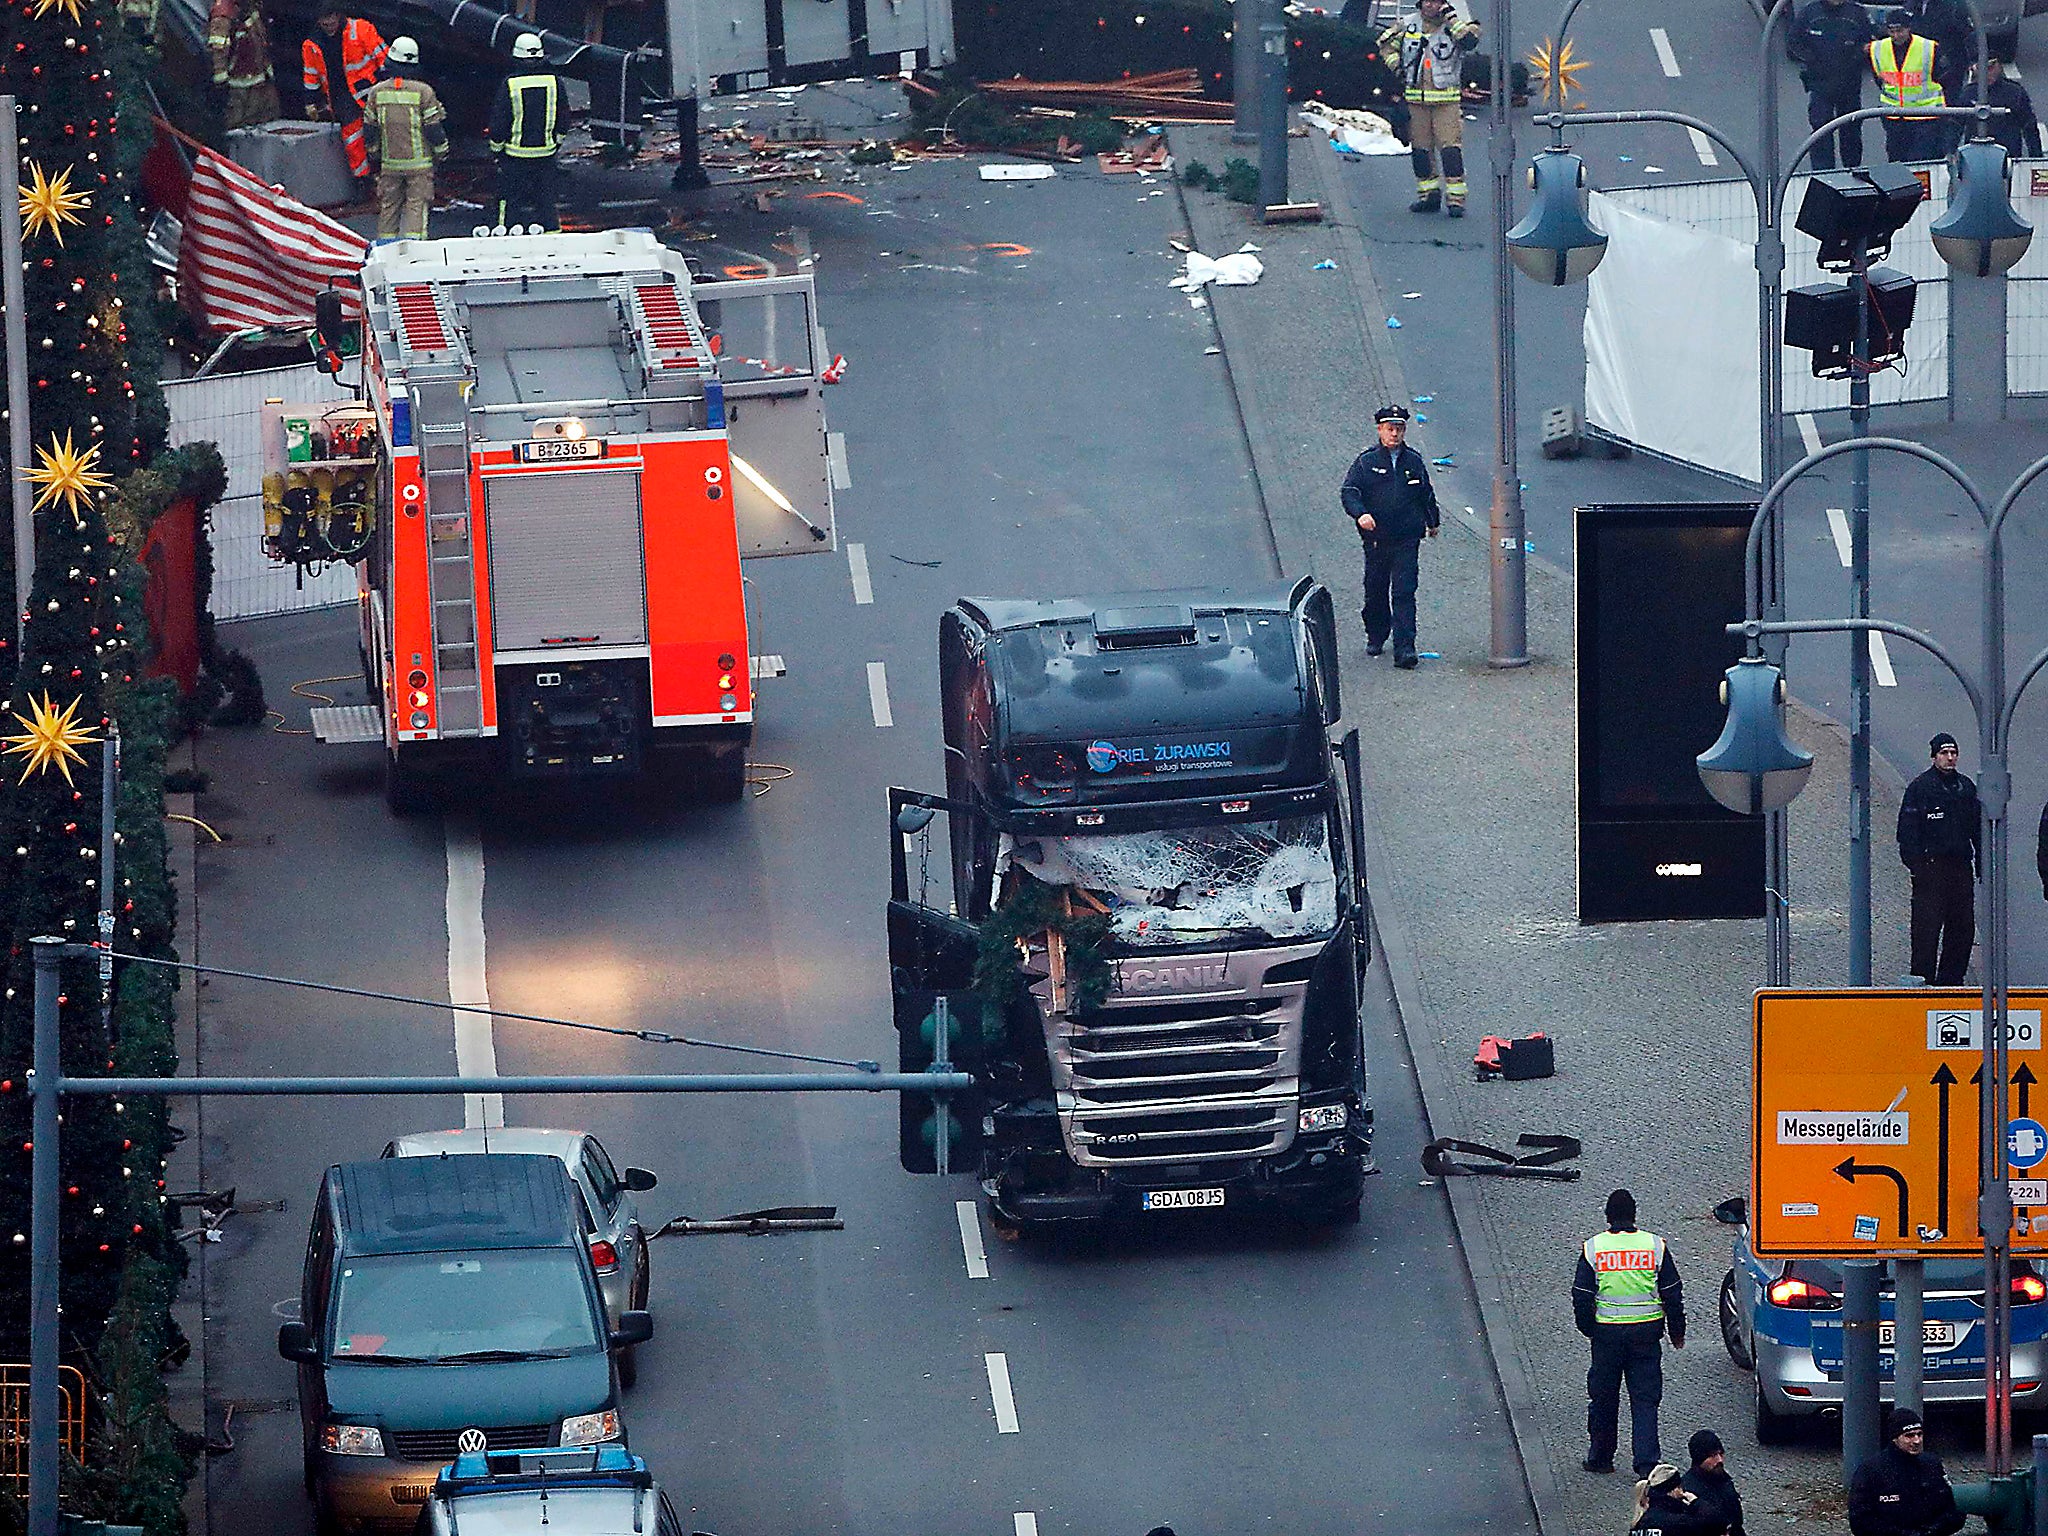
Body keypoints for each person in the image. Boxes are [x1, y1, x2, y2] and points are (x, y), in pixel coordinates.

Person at [1572, 1187, 1685, 1477]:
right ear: (1634, 1214)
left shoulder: (1594, 1248)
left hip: (1606, 1335)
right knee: (1645, 1399)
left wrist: (1589, 1328)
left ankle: (1600, 1457)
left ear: (1608, 1216)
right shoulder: (1654, 1245)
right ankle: (1647, 1463)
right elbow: (1672, 1292)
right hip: (1646, 1334)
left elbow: (1582, 1294)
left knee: (1603, 1397)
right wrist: (1677, 1330)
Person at [1339, 404, 1440, 669]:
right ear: (1380, 430)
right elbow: (1349, 491)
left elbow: (1425, 494)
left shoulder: (1413, 461)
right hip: (1377, 540)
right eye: (1390, 429)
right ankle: (1376, 633)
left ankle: (1405, 648)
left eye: (1399, 429)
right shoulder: (1367, 462)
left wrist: (1433, 521)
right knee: (1375, 590)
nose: (1395, 434)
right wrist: (1360, 514)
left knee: (1405, 593)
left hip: (1407, 538)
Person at [1378, 0, 1482, 216]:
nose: (1430, 6)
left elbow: (1469, 42)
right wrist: (1397, 67)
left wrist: (1451, 18)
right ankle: (1428, 195)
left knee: (1450, 150)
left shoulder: (1458, 26)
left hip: (1446, 102)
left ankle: (1456, 200)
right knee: (1420, 151)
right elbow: (1385, 46)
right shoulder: (1408, 25)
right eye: (1426, 1)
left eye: (1436, 1)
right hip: (1416, 101)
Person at [1898, 732, 1980, 986]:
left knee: (1962, 929)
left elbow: (1977, 828)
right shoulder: (1920, 788)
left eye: (1953, 753)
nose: (1950, 758)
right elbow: (1907, 831)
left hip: (1960, 868)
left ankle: (1952, 982)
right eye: (1944, 753)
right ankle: (1923, 982)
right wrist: (1916, 866)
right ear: (1934, 756)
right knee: (1926, 931)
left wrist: (1982, 864)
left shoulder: (1965, 788)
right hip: (1931, 869)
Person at [362, 38, 448, 240]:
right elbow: (434, 129)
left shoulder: (377, 92)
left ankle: (386, 248)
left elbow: (369, 129)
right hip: (420, 166)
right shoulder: (424, 92)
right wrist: (442, 152)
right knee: (416, 206)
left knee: (388, 207)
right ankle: (414, 249)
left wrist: (374, 155)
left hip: (390, 164)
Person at [301, 1, 387, 182]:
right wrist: (311, 102)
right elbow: (311, 76)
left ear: (340, 14)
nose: (329, 21)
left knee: (382, 135)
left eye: (332, 16)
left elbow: (383, 59)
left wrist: (389, 87)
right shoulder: (311, 44)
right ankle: (362, 181)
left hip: (372, 93)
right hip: (342, 98)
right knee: (353, 141)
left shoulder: (362, 29)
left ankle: (384, 176)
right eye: (324, 17)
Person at [1789, 0, 1878, 170]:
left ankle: (1852, 170)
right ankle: (1823, 174)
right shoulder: (1810, 12)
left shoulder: (1857, 13)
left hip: (1849, 84)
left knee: (1851, 129)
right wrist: (1812, 60)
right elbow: (1793, 42)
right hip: (1820, 84)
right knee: (1821, 129)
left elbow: (1868, 42)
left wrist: (1855, 57)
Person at [489, 33, 564, 232]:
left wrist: (497, 150)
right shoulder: (555, 81)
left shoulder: (510, 83)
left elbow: (499, 122)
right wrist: (556, 143)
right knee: (546, 200)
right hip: (546, 154)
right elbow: (564, 117)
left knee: (510, 199)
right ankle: (552, 238)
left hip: (515, 155)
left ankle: (508, 235)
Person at [1848, 1408, 1965, 1536]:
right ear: (1895, 1438)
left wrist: (1934, 1530)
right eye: (1909, 1436)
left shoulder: (1932, 1464)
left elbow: (1955, 1510)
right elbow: (1860, 1522)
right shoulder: (1871, 1470)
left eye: (1919, 1434)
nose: (1917, 1441)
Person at [1870, 10, 1947, 163]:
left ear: (1908, 28)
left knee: (1923, 163)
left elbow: (1945, 77)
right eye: (1891, 31)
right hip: (1894, 117)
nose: (1896, 36)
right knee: (1897, 163)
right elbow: (1879, 78)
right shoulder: (1877, 49)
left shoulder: (1929, 48)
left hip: (1926, 116)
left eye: (1900, 31)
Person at [207, 0, 281, 130]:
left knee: (270, 123)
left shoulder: (251, 6)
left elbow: (260, 38)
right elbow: (219, 52)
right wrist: (222, 84)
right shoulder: (223, 14)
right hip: (240, 90)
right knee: (241, 130)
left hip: (262, 82)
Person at [1680, 1430, 1745, 1536]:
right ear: (1700, 1458)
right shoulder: (1688, 1489)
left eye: (1720, 1453)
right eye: (1713, 1455)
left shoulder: (1724, 1480)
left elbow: (1736, 1523)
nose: (1719, 1460)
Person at [1983, 55, 2042, 162]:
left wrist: (2036, 158)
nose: (1987, 74)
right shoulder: (1969, 93)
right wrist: (1949, 152)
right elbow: (1956, 123)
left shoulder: (2014, 92)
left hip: (2009, 156)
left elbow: (2029, 126)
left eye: (1990, 68)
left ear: (1999, 67)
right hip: (1974, 158)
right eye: (1982, 69)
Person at [1632, 1464, 1717, 1536]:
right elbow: (1716, 1524)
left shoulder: (1638, 1526)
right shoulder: (1680, 1523)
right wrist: (1696, 1502)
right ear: (1674, 1489)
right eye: (1680, 1487)